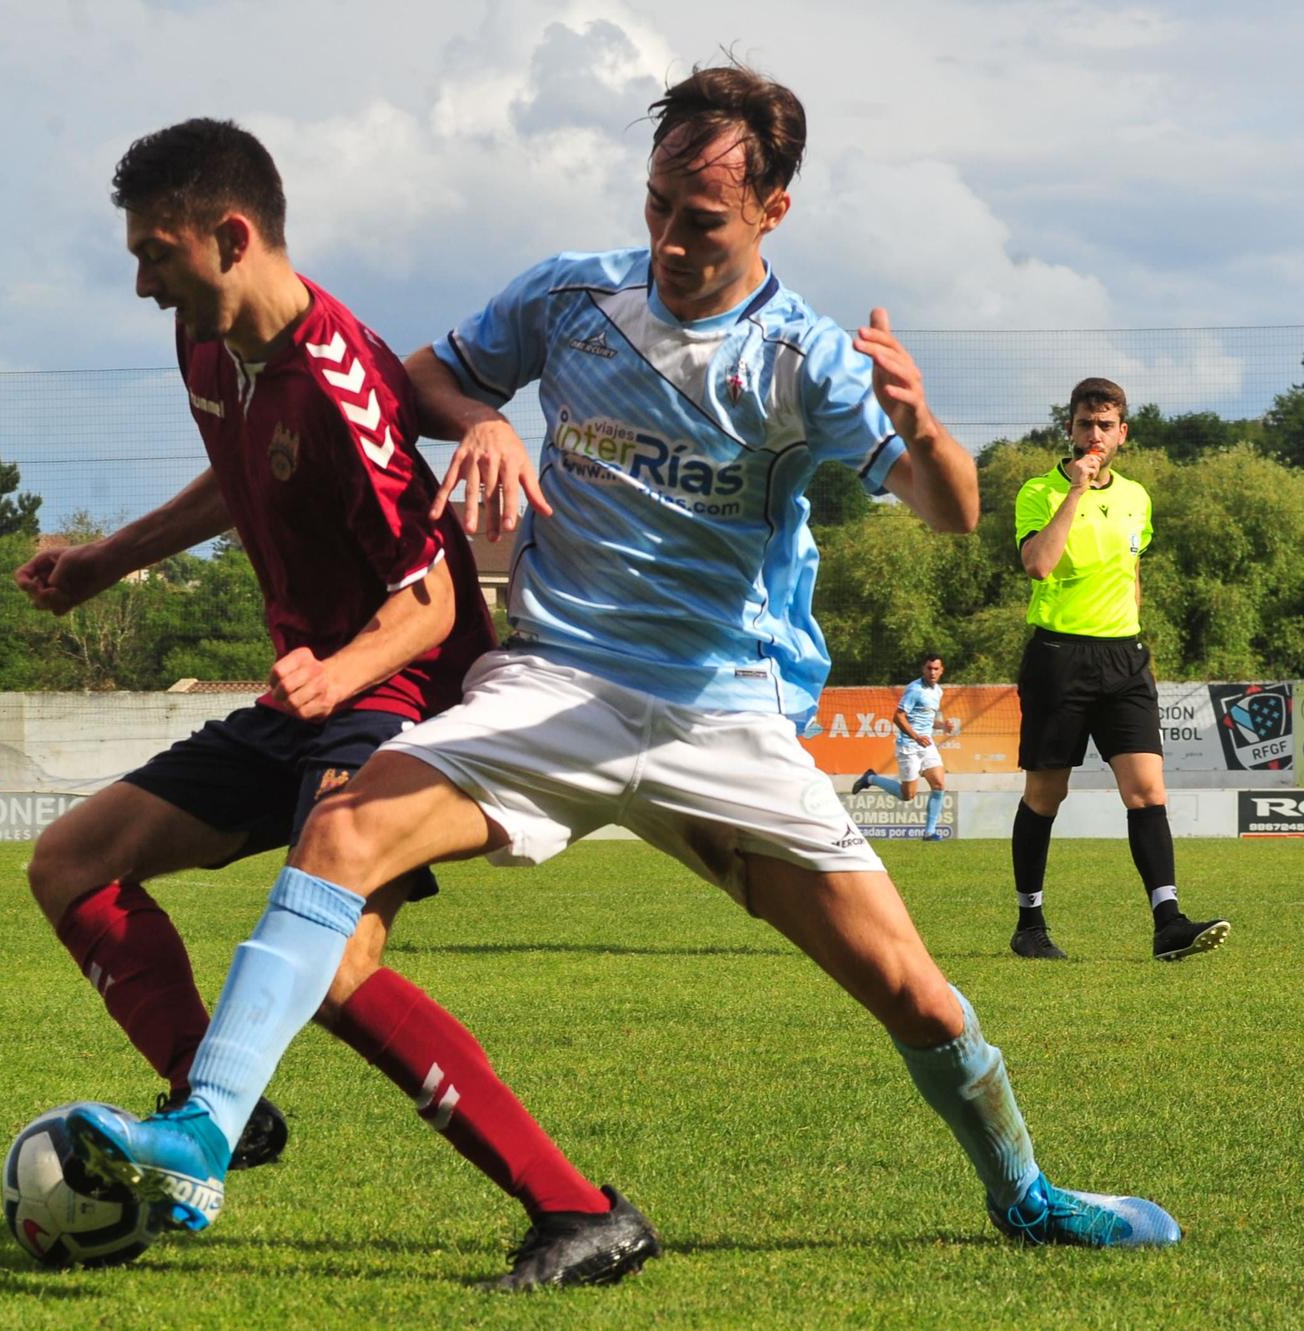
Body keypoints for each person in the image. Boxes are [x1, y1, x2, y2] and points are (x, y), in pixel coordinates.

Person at [62, 65, 1183, 1268]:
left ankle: (1022, 1190)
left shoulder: (801, 357)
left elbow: (950, 513)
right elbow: (420, 381)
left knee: (909, 988)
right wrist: (484, 417)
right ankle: (201, 1129)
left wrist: (919, 426)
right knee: (339, 833)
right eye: (654, 202)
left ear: (770, 212)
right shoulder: (570, 296)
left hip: (723, 717)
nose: (665, 237)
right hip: (554, 687)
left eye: (697, 218)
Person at [17, 118, 653, 1290]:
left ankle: (576, 1209)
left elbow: (428, 600)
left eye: (155, 253)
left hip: (395, 691)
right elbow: (241, 470)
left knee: (337, 967)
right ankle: (214, 1105)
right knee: (70, 863)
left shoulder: (344, 375)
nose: (141, 279)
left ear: (232, 234)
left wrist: (333, 672)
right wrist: (109, 558)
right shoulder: (207, 347)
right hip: (309, 691)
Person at [1008, 378, 1230, 962]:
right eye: (1085, 424)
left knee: (1147, 790)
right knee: (1046, 794)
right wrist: (1075, 493)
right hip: (1059, 657)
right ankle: (1030, 924)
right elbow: (1038, 564)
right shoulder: (1039, 491)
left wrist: (1131, 635)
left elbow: (1132, 570)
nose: (1095, 435)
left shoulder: (1137, 496)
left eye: (1106, 425)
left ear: (1122, 432)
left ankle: (1169, 923)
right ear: (1070, 428)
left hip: (1125, 658)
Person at [852, 653, 949, 840]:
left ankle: (929, 832)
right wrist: (916, 737)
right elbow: (898, 717)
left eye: (936, 669)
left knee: (938, 784)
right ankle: (870, 778)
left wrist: (942, 726)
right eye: (929, 668)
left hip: (926, 745)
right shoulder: (915, 689)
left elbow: (926, 721)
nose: (932, 672)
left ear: (942, 670)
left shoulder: (938, 691)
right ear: (923, 669)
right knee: (907, 795)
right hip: (909, 746)